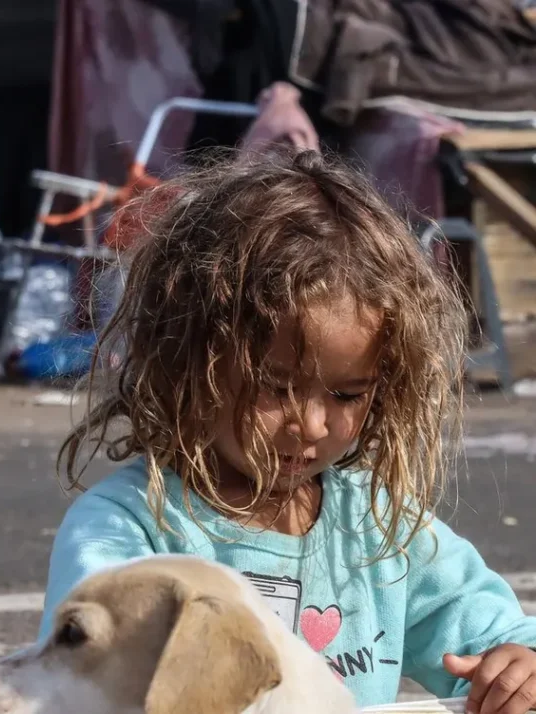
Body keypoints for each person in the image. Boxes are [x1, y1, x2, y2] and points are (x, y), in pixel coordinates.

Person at [41, 149, 536, 712]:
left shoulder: (375, 532)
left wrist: (516, 666)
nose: (313, 423)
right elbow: (82, 678)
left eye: (347, 393)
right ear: (188, 356)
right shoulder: (130, 529)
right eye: (276, 386)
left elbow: (494, 636)